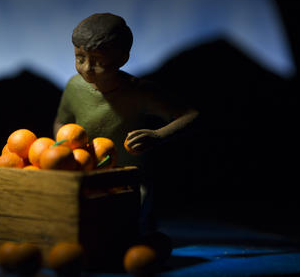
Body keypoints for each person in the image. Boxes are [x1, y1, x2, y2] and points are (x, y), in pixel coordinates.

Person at [54, 12, 199, 232]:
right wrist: (66, 151)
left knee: (130, 231)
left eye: (99, 61)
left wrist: (158, 135)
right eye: (80, 58)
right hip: (87, 178)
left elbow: (190, 115)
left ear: (122, 59)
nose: (86, 68)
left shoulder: (139, 92)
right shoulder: (74, 87)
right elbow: (60, 123)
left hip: (131, 182)